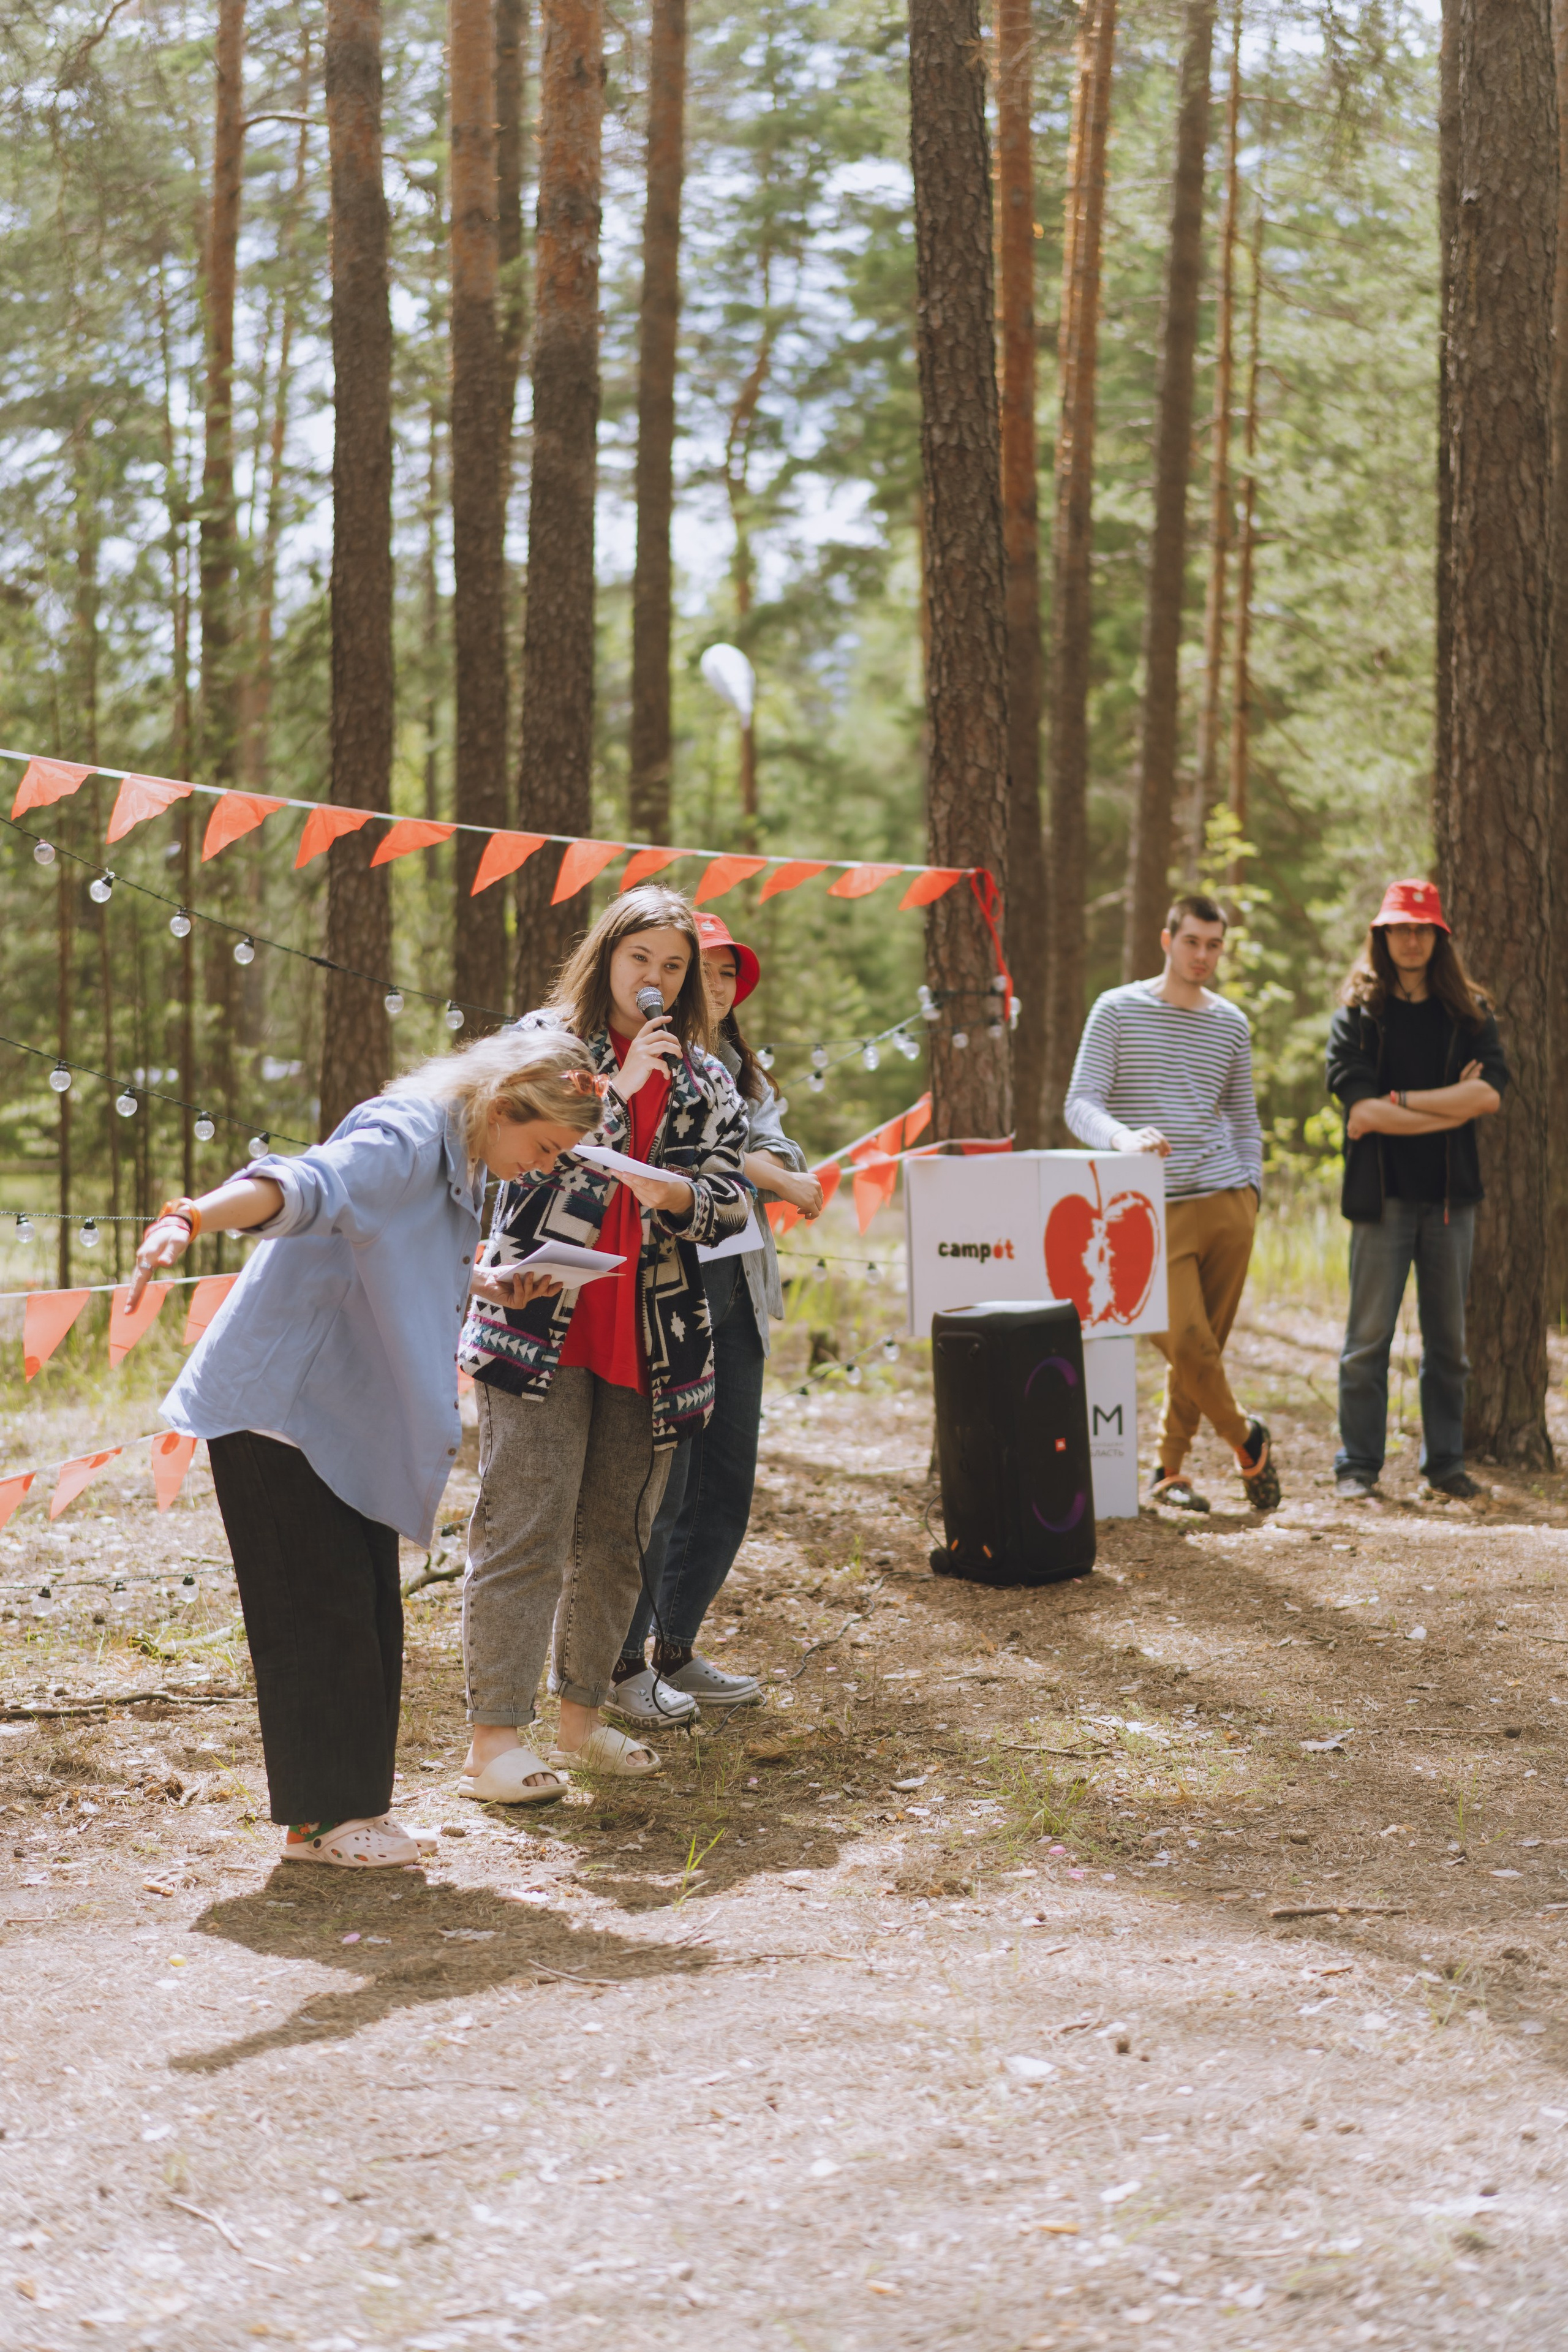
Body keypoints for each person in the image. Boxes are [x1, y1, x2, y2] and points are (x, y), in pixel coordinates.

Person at [133, 1030, 600, 1868]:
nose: (540, 1167)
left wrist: (491, 1282)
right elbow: (303, 1184)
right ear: (501, 1107)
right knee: (318, 1613)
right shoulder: (406, 1136)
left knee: (366, 1610)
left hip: (345, 1415)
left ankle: (352, 1812)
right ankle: (323, 1821)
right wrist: (191, 1216)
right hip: (281, 1404)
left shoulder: (463, 1167)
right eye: (542, 1147)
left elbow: (395, 1250)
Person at [457, 886, 752, 1804]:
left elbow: (731, 1197)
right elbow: (518, 1176)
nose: (656, 982)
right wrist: (616, 1099)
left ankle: (583, 1719)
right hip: (541, 1317)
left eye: (673, 968)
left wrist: (680, 1197)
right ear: (606, 958)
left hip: (651, 1332)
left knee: (620, 1536)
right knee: (526, 1528)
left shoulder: (706, 1078)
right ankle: (494, 1740)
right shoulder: (544, 1042)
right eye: (641, 962)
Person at [606, 908, 824, 1727]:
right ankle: (621, 1661)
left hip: (737, 1292)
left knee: (726, 1482)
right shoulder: (636, 1060)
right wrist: (759, 1169)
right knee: (664, 1487)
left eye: (734, 975)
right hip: (663, 1291)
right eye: (711, 970)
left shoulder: (740, 1074)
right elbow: (685, 1164)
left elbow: (786, 1167)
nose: (722, 987)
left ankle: (675, 1649)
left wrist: (760, 1167)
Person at [1065, 891, 1278, 1513]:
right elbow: (1080, 1102)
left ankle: (1170, 1471)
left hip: (1226, 1201)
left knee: (1204, 1343)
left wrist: (1252, 1190)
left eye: (1214, 945)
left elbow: (1243, 1119)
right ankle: (1246, 1437)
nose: (1202, 955)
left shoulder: (1230, 1023)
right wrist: (1122, 1138)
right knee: (1185, 1338)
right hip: (1142, 1207)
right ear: (1166, 940)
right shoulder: (1117, 1009)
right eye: (1191, 941)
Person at [1326, 878, 1507, 1502]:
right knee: (1366, 1340)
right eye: (1399, 928)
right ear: (1381, 935)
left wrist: (1400, 1101)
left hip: (1451, 1199)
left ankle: (1445, 1466)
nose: (1410, 939)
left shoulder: (1470, 1013)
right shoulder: (1356, 1013)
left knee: (1449, 1345)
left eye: (1421, 928)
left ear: (1438, 936)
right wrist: (1447, 1108)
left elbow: (1487, 1095)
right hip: (1381, 1197)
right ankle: (1357, 1468)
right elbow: (1361, 1113)